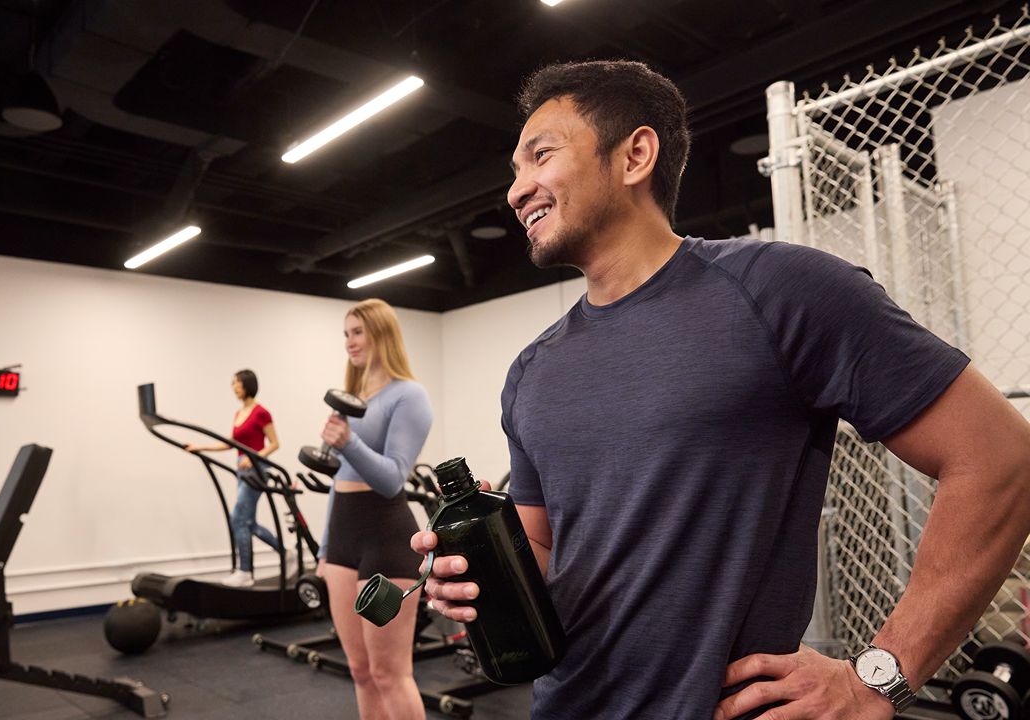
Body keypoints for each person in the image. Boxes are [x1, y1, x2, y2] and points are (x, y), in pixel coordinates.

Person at [413, 60, 1030, 720]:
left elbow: (1000, 458)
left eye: (540, 156)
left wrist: (878, 676)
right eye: (514, 170)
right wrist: (481, 576)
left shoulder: (779, 291)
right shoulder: (532, 370)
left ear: (636, 155)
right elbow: (542, 550)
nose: (516, 189)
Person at [320, 298, 433, 720]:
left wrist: (348, 441)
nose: (350, 342)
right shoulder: (353, 396)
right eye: (346, 333)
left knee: (389, 673)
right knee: (360, 671)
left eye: (358, 332)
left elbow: (392, 478)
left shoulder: (409, 395)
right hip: (344, 536)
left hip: (386, 535)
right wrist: (324, 549)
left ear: (381, 333)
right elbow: (338, 477)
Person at [185, 369, 288, 588]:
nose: (234, 387)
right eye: (232, 384)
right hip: (241, 470)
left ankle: (245, 572)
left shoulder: (261, 412)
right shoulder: (238, 413)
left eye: (236, 383)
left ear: (247, 384)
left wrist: (253, 458)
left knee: (237, 519)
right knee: (248, 523)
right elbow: (230, 443)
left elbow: (274, 443)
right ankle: (285, 552)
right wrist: (200, 448)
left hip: (256, 469)